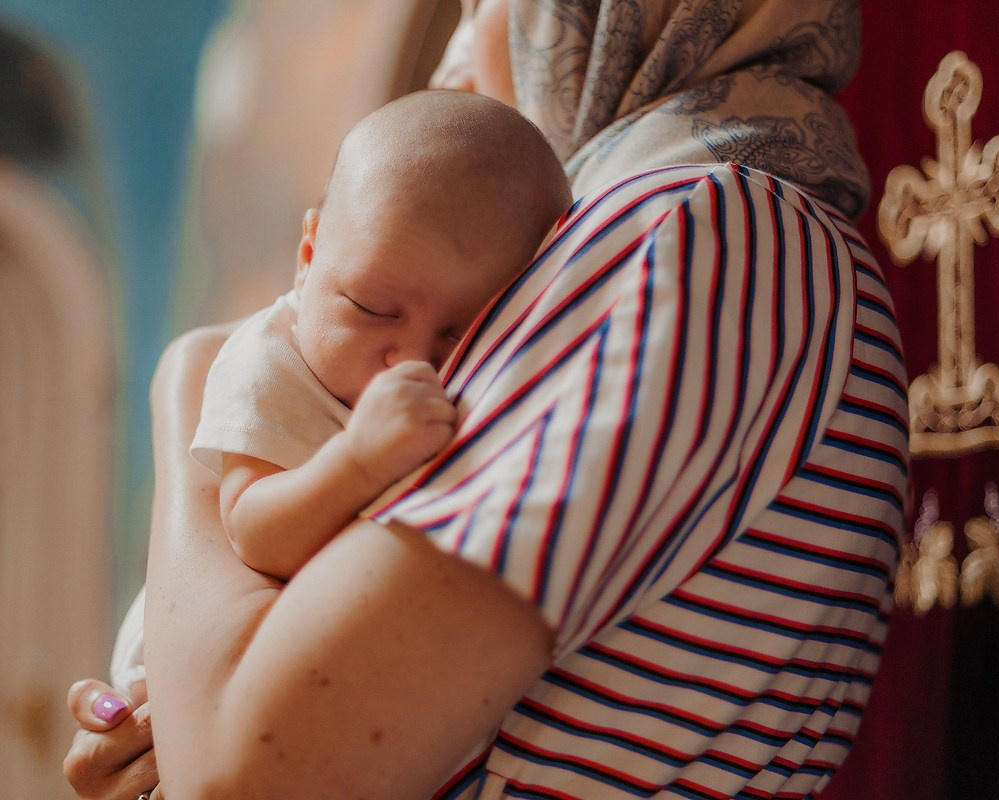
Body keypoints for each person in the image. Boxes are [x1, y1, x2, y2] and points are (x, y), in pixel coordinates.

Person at [65, 1, 907, 798]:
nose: (459, 52)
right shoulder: (723, 232)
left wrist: (191, 385)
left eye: (487, 2)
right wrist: (167, 720)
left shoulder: (693, 228)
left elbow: (244, 776)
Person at [105, 87, 573, 698]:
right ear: (308, 256)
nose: (412, 358)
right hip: (177, 681)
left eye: (463, 333)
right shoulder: (270, 363)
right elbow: (254, 531)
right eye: (371, 308)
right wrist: (358, 461)